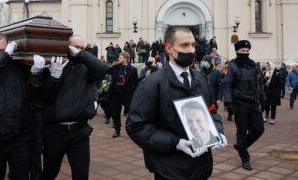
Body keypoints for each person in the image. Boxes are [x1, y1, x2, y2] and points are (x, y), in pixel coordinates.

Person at [126, 26, 226, 180]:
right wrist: (176, 143)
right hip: (169, 169)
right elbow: (136, 126)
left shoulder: (201, 79)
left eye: (193, 45)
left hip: (202, 167)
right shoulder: (152, 84)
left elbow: (212, 112)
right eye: (184, 45)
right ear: (169, 48)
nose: (191, 50)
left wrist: (217, 131)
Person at [0, 33, 52, 180]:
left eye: (2, 50)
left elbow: (34, 96)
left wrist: (35, 74)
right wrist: (5, 55)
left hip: (19, 135)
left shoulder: (19, 68)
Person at [42, 35, 109, 180]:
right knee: (49, 172)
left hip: (79, 131)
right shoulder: (56, 65)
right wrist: (54, 77)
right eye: (76, 47)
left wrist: (81, 54)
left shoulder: (87, 67)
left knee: (81, 174)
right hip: (55, 132)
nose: (78, 51)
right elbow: (46, 96)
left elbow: (103, 68)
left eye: (82, 48)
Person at [223, 40, 265, 170]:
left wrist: (263, 97)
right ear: (237, 52)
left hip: (253, 103)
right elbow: (227, 85)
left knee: (259, 129)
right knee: (242, 131)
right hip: (240, 104)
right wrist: (228, 102)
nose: (245, 53)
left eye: (247, 51)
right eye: (242, 51)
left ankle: (241, 146)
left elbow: (260, 83)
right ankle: (245, 158)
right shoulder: (233, 66)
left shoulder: (254, 65)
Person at [108, 52, 138, 138]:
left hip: (127, 95)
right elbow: (107, 71)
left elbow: (136, 83)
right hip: (116, 93)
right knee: (115, 112)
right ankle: (117, 130)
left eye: (120, 58)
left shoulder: (132, 69)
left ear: (125, 59)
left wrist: (136, 94)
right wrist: (112, 65)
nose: (118, 59)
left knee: (131, 112)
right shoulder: (116, 67)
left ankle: (132, 129)